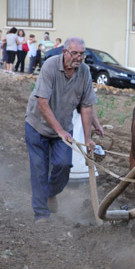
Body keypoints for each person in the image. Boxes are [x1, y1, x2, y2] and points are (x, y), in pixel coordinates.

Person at [25, 36, 97, 221]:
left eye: (82, 54)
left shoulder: (84, 72)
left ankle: (50, 193)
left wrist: (88, 138)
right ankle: (41, 214)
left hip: (64, 127)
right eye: (75, 53)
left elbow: (87, 106)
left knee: (64, 165)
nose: (79, 58)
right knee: (40, 168)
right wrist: (59, 131)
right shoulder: (50, 66)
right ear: (65, 52)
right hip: (38, 125)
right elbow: (42, 102)